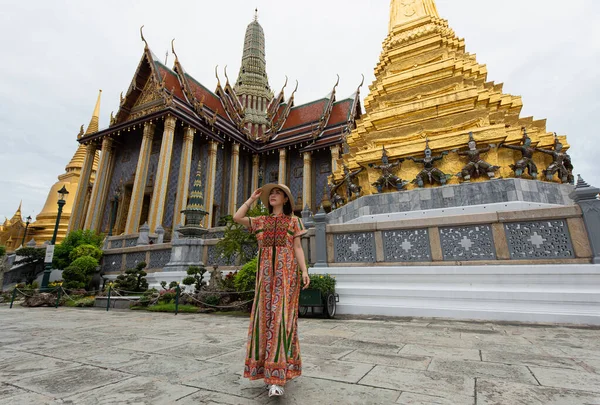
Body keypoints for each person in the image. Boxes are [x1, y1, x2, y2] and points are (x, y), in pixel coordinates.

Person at [233, 183, 309, 398]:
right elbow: (237, 218)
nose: (273, 196)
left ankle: (278, 378)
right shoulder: (260, 221)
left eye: (278, 193)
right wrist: (251, 199)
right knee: (263, 321)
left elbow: (297, 248)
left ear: (286, 200)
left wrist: (304, 271)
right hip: (264, 280)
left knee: (281, 321)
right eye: (271, 194)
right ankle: (266, 372)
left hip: (286, 278)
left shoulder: (294, 221)